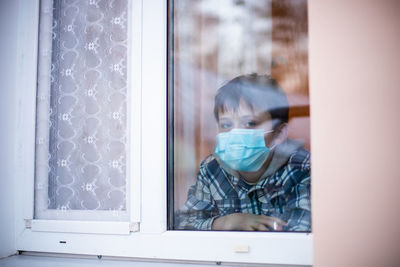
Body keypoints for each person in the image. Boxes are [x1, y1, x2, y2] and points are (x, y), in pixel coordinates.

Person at [175, 74, 311, 231]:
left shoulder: (300, 168)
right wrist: (227, 222)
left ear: (279, 134)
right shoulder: (212, 168)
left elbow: (300, 232)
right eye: (226, 124)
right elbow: (183, 223)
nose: (236, 133)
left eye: (250, 123)